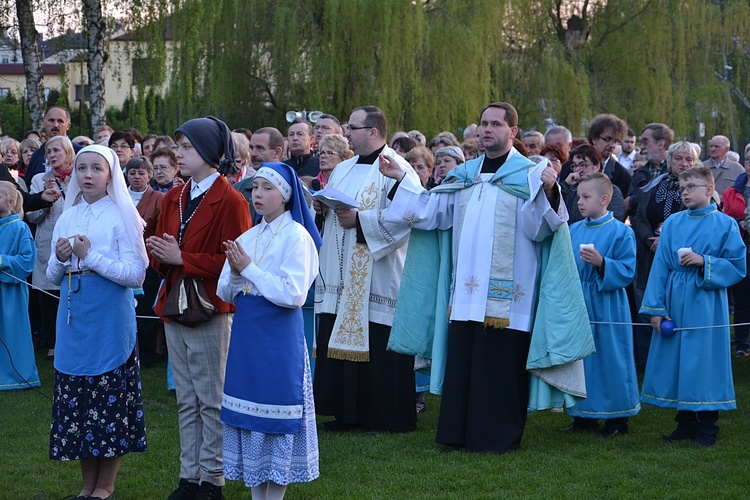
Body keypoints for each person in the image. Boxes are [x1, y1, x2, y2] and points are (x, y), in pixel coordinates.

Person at [380, 102, 593, 453]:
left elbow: (540, 228)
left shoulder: (528, 174)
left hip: (510, 298)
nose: (486, 130)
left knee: (499, 370)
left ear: (513, 131)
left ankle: (497, 437)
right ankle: (458, 432)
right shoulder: (464, 175)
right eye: (483, 124)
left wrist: (552, 191)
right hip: (465, 294)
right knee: (465, 365)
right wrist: (403, 178)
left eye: (495, 124)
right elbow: (431, 213)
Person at [148, 117, 252, 500]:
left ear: (210, 153)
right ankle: (188, 476)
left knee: (211, 398)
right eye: (178, 146)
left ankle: (213, 479)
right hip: (175, 303)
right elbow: (161, 246)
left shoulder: (232, 199)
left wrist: (182, 257)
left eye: (187, 147)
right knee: (187, 397)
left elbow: (235, 262)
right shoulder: (174, 195)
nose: (179, 153)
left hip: (211, 306)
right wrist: (160, 254)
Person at [47, 144, 149, 499]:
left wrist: (92, 256)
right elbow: (51, 273)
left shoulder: (124, 215)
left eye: (96, 169)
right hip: (74, 314)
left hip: (110, 314)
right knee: (78, 397)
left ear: (110, 175)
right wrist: (60, 259)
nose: (87, 175)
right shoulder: (67, 215)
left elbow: (136, 274)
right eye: (82, 168)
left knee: (107, 397)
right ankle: (87, 484)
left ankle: (106, 485)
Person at [217, 162, 322, 498]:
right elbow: (224, 290)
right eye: (255, 188)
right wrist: (236, 275)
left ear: (286, 195)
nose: (258, 195)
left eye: (267, 188)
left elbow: (293, 295)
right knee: (251, 424)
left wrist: (249, 269)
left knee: (277, 425)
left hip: (278, 341)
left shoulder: (297, 236)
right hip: (248, 340)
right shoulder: (249, 235)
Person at [313, 105, 418, 434]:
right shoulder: (343, 168)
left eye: (353, 128)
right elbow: (336, 204)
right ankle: (345, 413)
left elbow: (409, 216)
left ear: (373, 132)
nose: (347, 133)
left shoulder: (398, 169)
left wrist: (361, 220)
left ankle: (382, 416)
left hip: (377, 274)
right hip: (341, 275)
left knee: (376, 342)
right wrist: (322, 205)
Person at [639, 165, 746, 447]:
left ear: (709, 190)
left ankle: (708, 425)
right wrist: (656, 309)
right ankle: (685, 422)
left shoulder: (725, 224)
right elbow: (660, 267)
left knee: (703, 359)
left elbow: (738, 266)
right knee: (678, 359)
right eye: (682, 188)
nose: (685, 192)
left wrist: (704, 262)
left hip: (705, 301)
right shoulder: (673, 223)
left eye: (691, 187)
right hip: (675, 297)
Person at [565, 174, 639, 436]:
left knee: (611, 357)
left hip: (607, 302)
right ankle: (584, 414)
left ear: (605, 199)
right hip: (580, 301)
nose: (580, 202)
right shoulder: (573, 230)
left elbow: (628, 269)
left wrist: (602, 262)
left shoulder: (621, 231)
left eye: (586, 197)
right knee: (583, 359)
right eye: (578, 197)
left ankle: (617, 417)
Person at [631, 141, 696, 372]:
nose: (684, 163)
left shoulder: (700, 190)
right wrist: (650, 239)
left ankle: (680, 363)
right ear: (669, 160)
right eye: (679, 158)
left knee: (677, 308)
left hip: (681, 261)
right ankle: (652, 363)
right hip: (650, 255)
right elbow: (637, 216)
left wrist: (666, 241)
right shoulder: (653, 185)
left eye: (689, 159)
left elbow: (699, 226)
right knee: (651, 303)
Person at [28, 135, 77, 361]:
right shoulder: (39, 179)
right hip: (47, 244)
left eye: (57, 150)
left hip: (75, 244)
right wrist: (44, 201)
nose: (52, 155)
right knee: (48, 294)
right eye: (49, 152)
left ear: (68, 153)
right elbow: (32, 216)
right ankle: (52, 344)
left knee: (73, 294)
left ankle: (73, 340)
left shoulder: (79, 177)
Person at [0, 180, 40, 391]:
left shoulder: (19, 228)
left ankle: (17, 375)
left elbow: (27, 261)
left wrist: (3, 261)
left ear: (11, 201)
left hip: (10, 292)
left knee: (11, 331)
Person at [125, 156, 164, 367]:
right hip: (122, 260)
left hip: (148, 261)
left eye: (141, 173)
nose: (137, 177)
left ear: (149, 175)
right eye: (133, 172)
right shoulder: (118, 196)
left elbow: (160, 228)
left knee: (145, 308)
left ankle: (147, 354)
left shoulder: (158, 198)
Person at [561, 144, 626, 224]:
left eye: (583, 165)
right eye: (574, 165)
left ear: (597, 166)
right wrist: (565, 184)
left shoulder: (612, 190)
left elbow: (615, 222)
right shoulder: (571, 188)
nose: (577, 169)